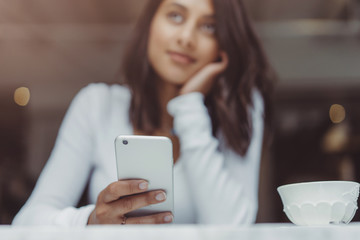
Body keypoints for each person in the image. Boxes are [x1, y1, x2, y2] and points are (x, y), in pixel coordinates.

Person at [13, 0, 274, 226]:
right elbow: (28, 223)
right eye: (175, 16)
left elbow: (233, 228)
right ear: (150, 22)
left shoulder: (242, 108)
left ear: (223, 44)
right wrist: (91, 221)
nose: (186, 37)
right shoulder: (97, 105)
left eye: (209, 27)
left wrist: (189, 106)